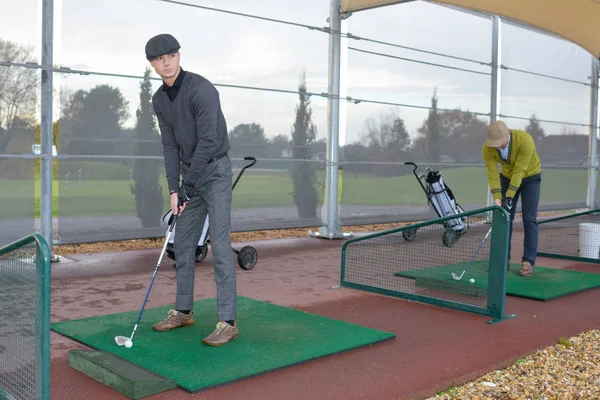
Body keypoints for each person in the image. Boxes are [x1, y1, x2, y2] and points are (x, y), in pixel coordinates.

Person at [145, 33, 238, 346]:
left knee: (221, 246)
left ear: (179, 55)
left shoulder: (201, 89)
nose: (166, 62)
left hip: (215, 172)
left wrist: (188, 185)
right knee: (182, 244)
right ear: (152, 64)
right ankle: (184, 311)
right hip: (189, 178)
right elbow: (169, 144)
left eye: (171, 55)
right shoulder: (159, 100)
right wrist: (175, 188)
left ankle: (228, 322)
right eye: (159, 59)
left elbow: (209, 140)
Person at [482, 120, 542, 277]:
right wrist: (497, 198)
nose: (497, 146)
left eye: (499, 142)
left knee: (529, 219)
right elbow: (492, 173)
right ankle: (502, 261)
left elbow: (519, 171)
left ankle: (528, 262)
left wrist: (509, 196)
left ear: (507, 135)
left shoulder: (525, 140)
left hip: (530, 178)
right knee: (504, 218)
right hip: (507, 178)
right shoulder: (487, 148)